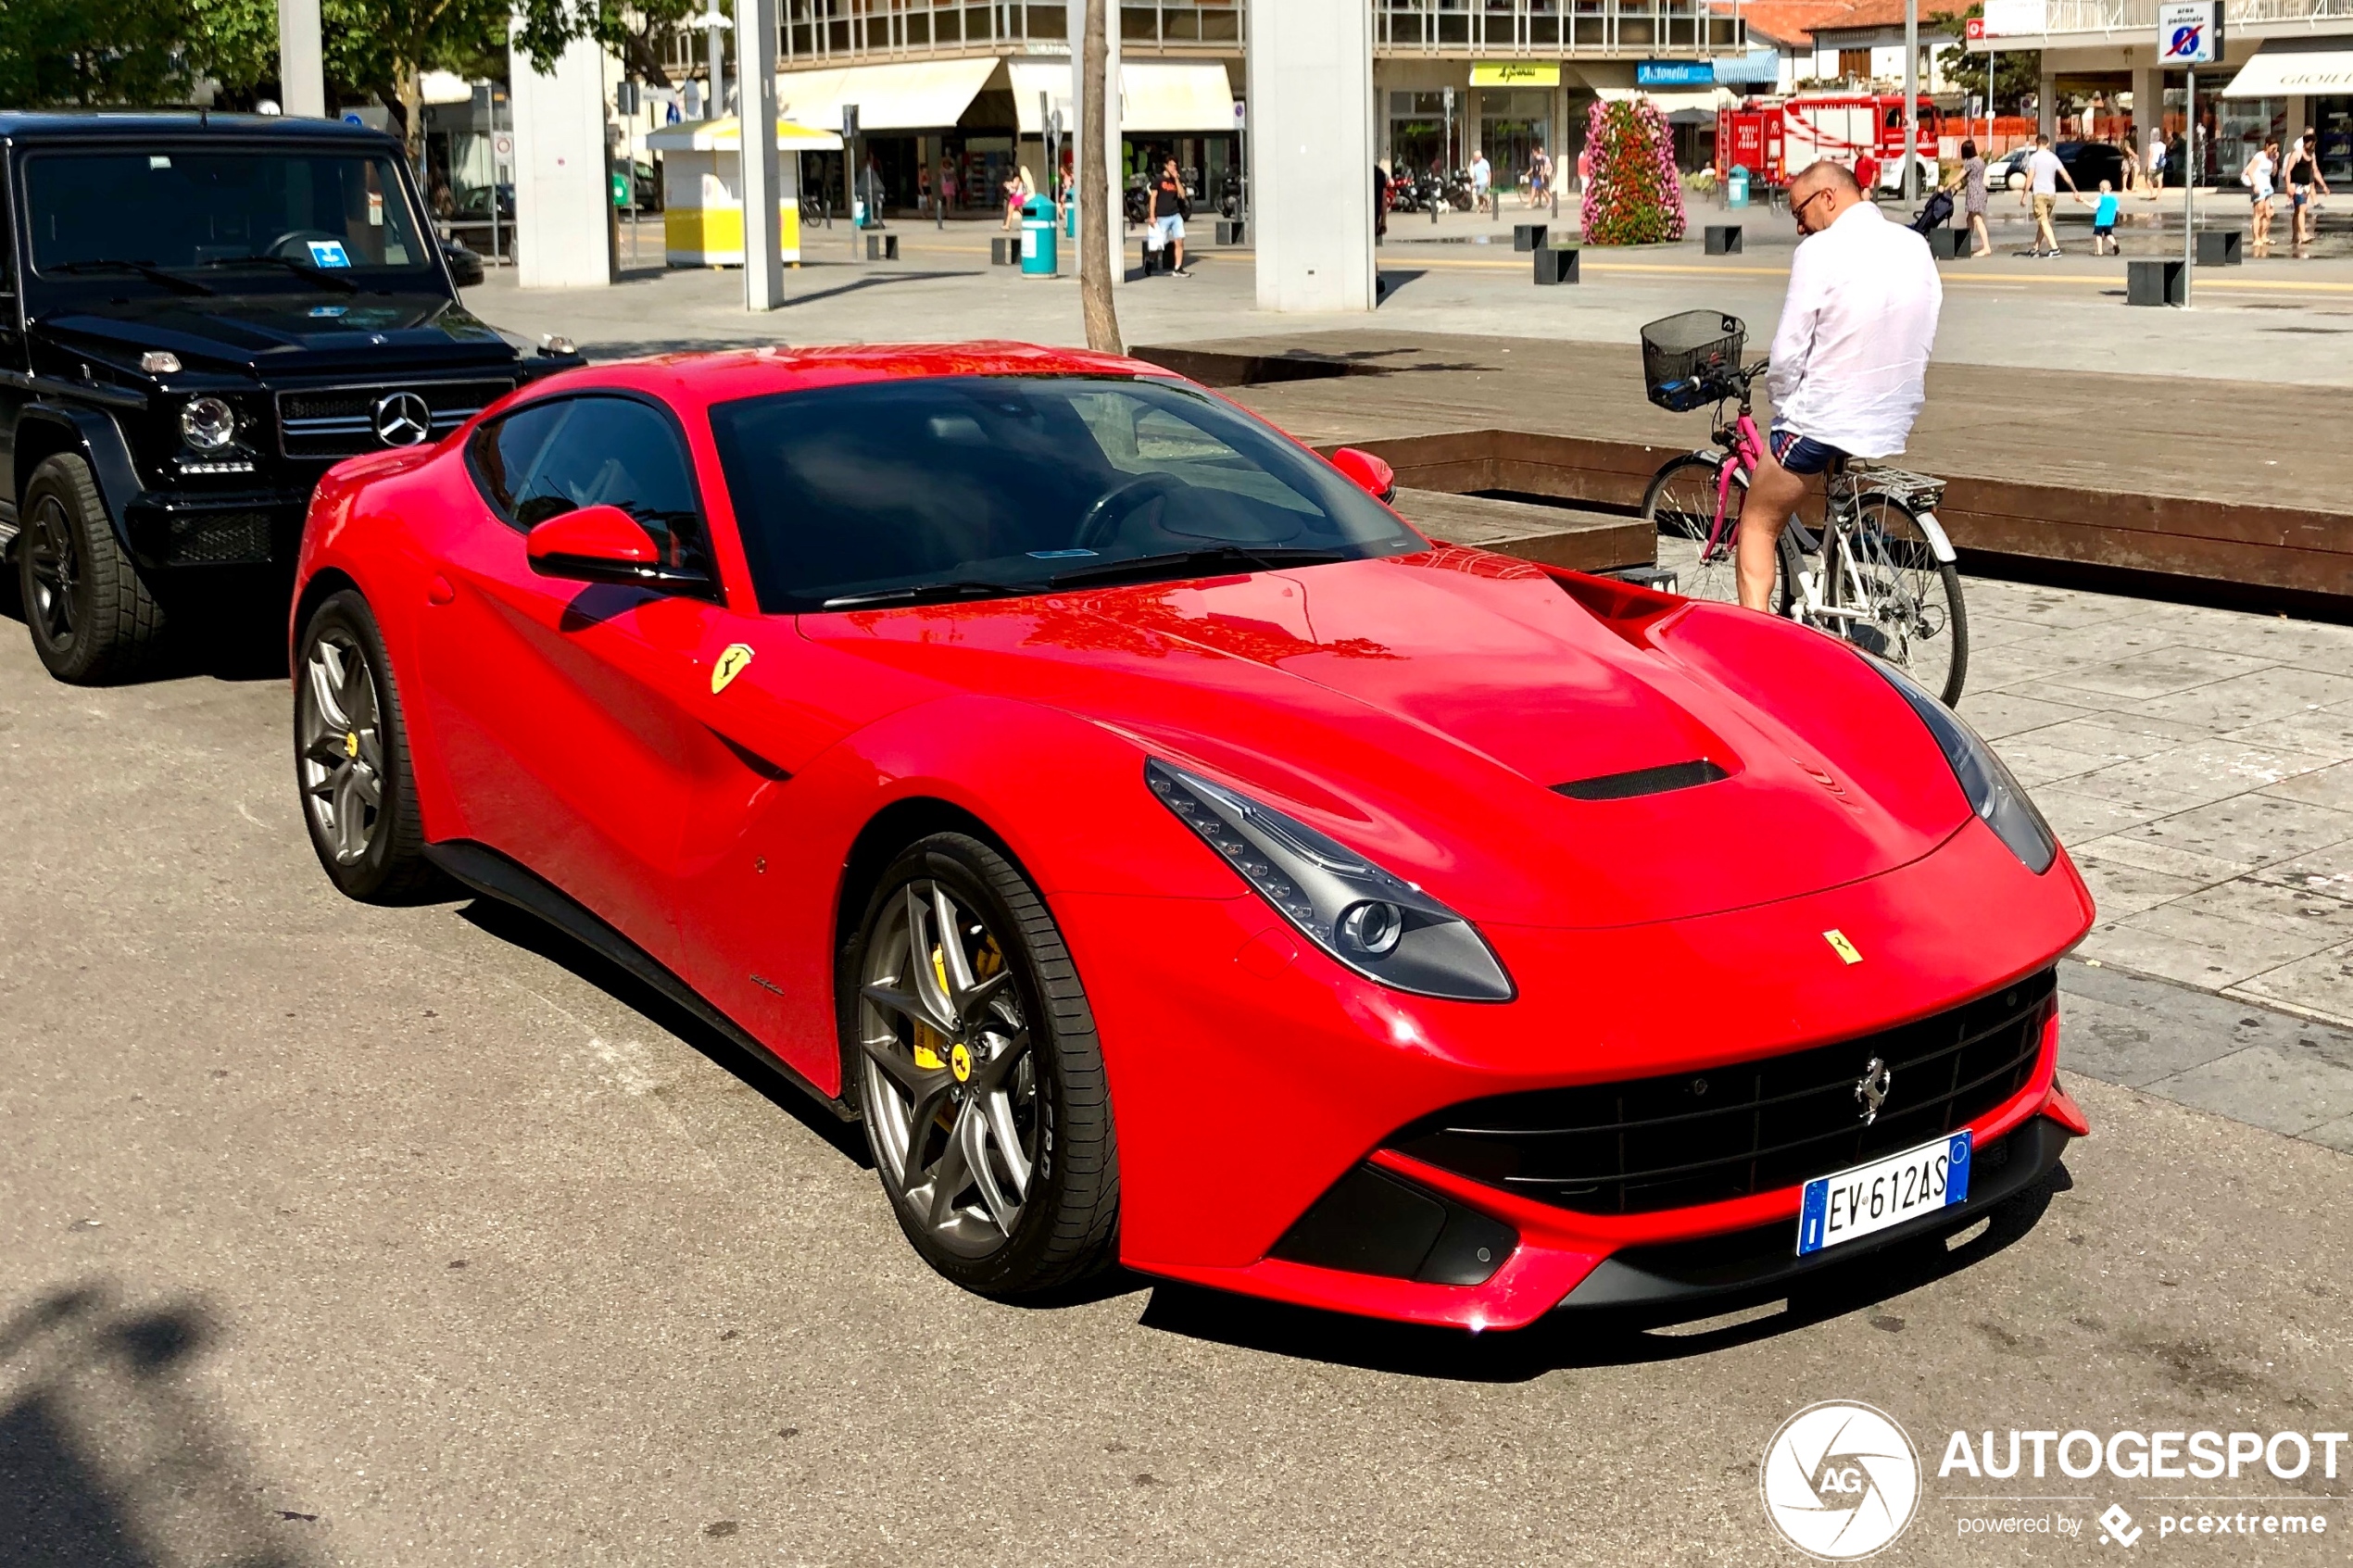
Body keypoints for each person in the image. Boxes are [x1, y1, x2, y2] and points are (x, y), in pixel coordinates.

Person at [1736, 160, 1941, 614]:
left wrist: (1785, 407)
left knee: (1757, 524)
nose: (1798, 227)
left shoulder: (1820, 252)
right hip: (1891, 413)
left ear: (1827, 197)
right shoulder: (1914, 245)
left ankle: (1753, 644)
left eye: (1798, 212)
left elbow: (1788, 352)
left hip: (1823, 418)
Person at [2023, 133, 2080, 257]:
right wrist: (2075, 191)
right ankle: (2035, 248)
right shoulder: (2054, 158)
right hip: (2051, 195)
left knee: (2043, 221)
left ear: (2036, 143)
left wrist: (2024, 195)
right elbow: (2066, 176)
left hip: (2039, 194)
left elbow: (2030, 177)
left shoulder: (2034, 158)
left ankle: (2055, 249)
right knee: (2043, 222)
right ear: (2048, 144)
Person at [2285, 127, 2329, 246]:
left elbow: (2315, 171)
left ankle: (2295, 236)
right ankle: (2303, 234)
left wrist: (2324, 186)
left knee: (2298, 211)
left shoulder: (2312, 155)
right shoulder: (2297, 154)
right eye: (2313, 143)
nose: (2314, 146)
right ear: (2307, 142)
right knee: (2302, 209)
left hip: (2305, 186)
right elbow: (2288, 171)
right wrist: (2288, 186)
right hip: (2297, 185)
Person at [1148, 155, 1189, 276]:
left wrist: (1176, 180)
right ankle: (1149, 263)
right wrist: (1152, 216)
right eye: (1171, 165)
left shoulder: (1176, 180)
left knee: (1179, 240)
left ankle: (1178, 268)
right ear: (1166, 166)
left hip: (1175, 215)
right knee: (1159, 245)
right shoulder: (1159, 180)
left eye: (1175, 166)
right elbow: (1153, 197)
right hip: (1162, 216)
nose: (1173, 168)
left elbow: (1182, 195)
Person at [1957, 137, 1991, 257]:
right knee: (1970, 219)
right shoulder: (1980, 160)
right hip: (1981, 190)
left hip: (1974, 192)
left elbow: (1960, 176)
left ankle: (1986, 247)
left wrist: (1947, 187)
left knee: (1977, 219)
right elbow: (1972, 177)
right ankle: (1965, 245)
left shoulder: (1970, 162)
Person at [2245, 138, 2278, 255]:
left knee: (2268, 214)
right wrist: (2254, 185)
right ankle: (2256, 238)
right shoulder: (2259, 156)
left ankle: (2264, 236)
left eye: (2276, 148)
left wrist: (2274, 161)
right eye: (2273, 148)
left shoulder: (2271, 158)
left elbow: (2274, 173)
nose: (2274, 150)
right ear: (2267, 145)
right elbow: (2249, 171)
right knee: (2258, 213)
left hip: (2268, 186)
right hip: (2259, 185)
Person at [2090, 179, 2119, 254]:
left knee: (2098, 235)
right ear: (2110, 188)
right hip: (2110, 221)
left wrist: (2083, 201)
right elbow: (2117, 209)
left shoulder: (2101, 198)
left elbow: (2093, 206)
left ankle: (2100, 251)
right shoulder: (2114, 198)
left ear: (2101, 189)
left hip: (2100, 221)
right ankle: (2115, 244)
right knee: (2109, 234)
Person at [1470, 148, 1492, 216]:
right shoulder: (1475, 164)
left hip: (1484, 181)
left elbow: (1489, 172)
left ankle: (1488, 204)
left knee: (1481, 194)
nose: (1474, 158)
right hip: (1478, 182)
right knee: (1479, 196)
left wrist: (1489, 181)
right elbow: (1475, 174)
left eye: (1475, 157)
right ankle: (1481, 208)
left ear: (1479, 157)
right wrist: (1472, 181)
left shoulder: (1484, 162)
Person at [2146, 128, 2167, 196]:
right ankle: (2158, 195)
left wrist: (2149, 167)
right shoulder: (2163, 145)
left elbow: (2150, 156)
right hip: (2160, 165)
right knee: (2160, 180)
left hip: (2153, 165)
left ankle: (2152, 193)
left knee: (2149, 180)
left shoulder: (2152, 146)